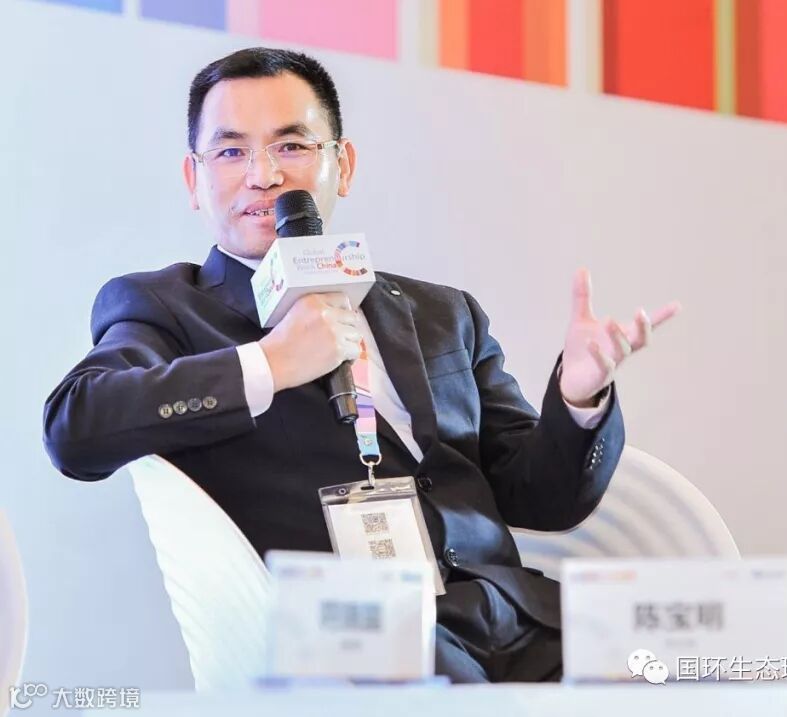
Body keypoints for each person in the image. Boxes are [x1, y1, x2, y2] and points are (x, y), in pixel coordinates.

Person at [42, 47, 679, 683]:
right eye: (231, 151)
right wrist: (269, 363)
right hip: (351, 639)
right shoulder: (166, 307)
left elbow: (542, 499)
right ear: (194, 179)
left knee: (694, 662)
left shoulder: (444, 314)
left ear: (341, 165)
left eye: (291, 146)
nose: (263, 175)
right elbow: (75, 427)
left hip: (509, 619)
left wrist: (578, 400)